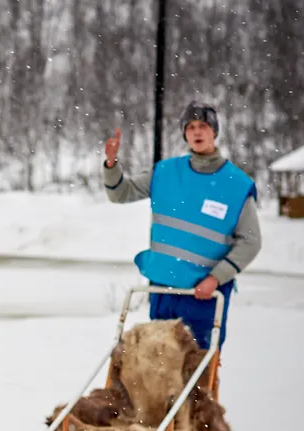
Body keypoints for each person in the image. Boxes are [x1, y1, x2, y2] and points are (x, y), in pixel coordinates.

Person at [103, 101, 262, 350]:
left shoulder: (236, 185)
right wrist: (112, 165)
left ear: (214, 132)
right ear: (185, 134)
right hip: (164, 292)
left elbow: (251, 241)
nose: (197, 132)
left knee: (198, 368)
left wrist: (216, 278)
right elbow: (121, 193)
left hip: (203, 296)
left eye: (203, 126)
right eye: (190, 127)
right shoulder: (165, 172)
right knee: (160, 367)